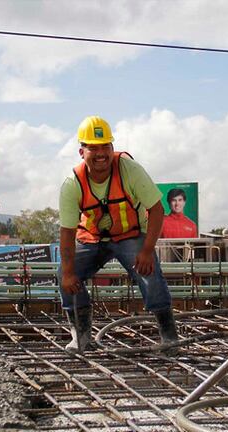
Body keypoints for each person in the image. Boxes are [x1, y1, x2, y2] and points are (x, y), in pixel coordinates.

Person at [58, 115, 179, 354]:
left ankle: (169, 335)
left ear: (113, 147)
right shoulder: (73, 184)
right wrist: (69, 271)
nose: (101, 153)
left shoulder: (129, 170)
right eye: (93, 148)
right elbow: (67, 232)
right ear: (82, 152)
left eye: (106, 146)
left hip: (129, 235)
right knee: (65, 273)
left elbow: (156, 209)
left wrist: (146, 251)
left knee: (149, 271)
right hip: (92, 238)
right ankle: (80, 335)